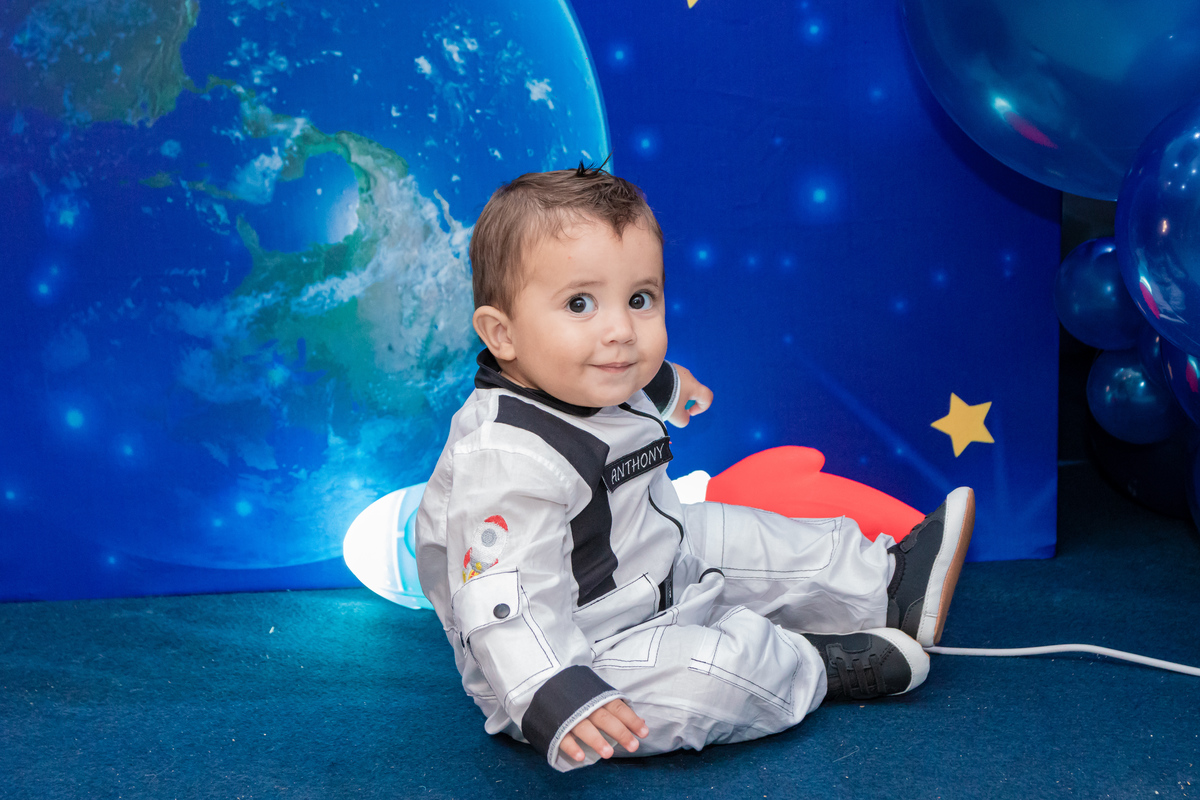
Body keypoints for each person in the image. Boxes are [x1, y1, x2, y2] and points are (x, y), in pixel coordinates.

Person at [413, 165, 974, 772]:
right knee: (711, 681)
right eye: (580, 303)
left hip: (650, 559)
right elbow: (502, 601)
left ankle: (885, 584)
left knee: (744, 534)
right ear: (503, 334)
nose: (621, 331)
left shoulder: (587, 376)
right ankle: (807, 663)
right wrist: (553, 689)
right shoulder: (506, 460)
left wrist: (673, 387)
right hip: (575, 654)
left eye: (640, 299)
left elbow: (641, 379)